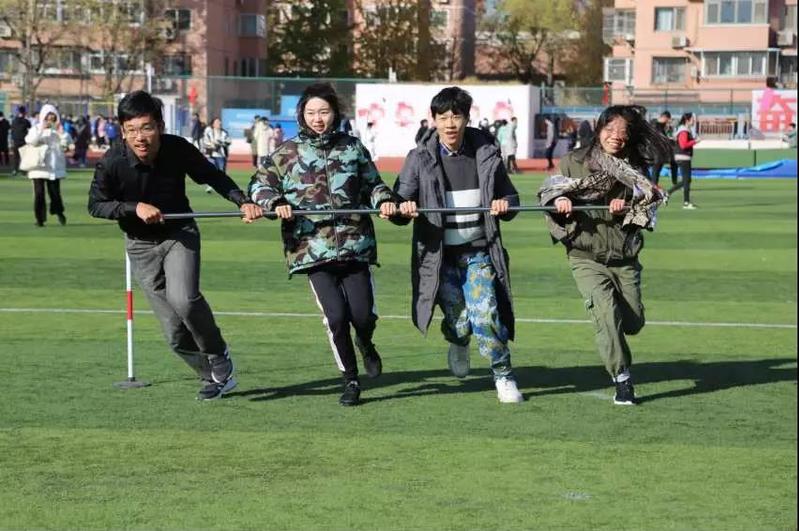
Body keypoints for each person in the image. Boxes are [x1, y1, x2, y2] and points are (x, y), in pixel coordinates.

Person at [88, 90, 263, 400]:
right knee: (174, 332)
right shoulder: (112, 161)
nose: (140, 137)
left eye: (146, 128)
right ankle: (213, 378)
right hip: (140, 246)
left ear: (160, 126)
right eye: (131, 130)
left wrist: (242, 200)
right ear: (122, 131)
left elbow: (211, 176)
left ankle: (218, 353)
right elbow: (96, 205)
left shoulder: (177, 148)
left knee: (184, 300)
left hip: (179, 234)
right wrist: (134, 208)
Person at [249, 83, 396, 407]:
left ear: (335, 113)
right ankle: (350, 379)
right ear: (301, 115)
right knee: (336, 318)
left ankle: (366, 342)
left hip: (355, 245)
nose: (318, 119)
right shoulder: (286, 153)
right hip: (312, 250)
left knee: (362, 317)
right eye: (311, 112)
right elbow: (258, 186)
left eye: (324, 112)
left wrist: (385, 201)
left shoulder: (353, 148)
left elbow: (374, 185)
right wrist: (275, 202)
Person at [392, 86, 524, 404]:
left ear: (467, 118)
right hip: (440, 257)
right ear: (433, 119)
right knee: (460, 322)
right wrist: (401, 208)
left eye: (456, 116)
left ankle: (503, 374)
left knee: (486, 315)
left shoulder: (486, 153)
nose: (450, 124)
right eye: (443, 117)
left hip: (479, 251)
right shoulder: (419, 158)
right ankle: (458, 341)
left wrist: (505, 204)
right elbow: (398, 202)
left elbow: (511, 197)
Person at [537, 105, 670, 406]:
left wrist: (630, 207)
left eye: (623, 132)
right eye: (610, 130)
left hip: (625, 257)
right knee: (606, 315)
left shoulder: (634, 169)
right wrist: (560, 200)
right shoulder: (574, 161)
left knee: (632, 322)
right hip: (586, 256)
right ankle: (622, 379)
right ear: (599, 130)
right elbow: (551, 189)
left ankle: (621, 338)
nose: (616, 137)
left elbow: (649, 208)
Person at [25, 104, 68, 227]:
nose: (50, 120)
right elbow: (31, 141)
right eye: (48, 117)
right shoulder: (35, 128)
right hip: (38, 166)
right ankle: (40, 219)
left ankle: (59, 212)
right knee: (39, 194)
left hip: (54, 166)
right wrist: (41, 130)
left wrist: (61, 133)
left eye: (52, 117)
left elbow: (66, 145)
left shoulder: (59, 130)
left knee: (54, 193)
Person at [674, 112, 700, 209]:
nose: (694, 121)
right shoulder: (683, 131)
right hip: (683, 157)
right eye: (692, 119)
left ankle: (667, 193)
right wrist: (695, 141)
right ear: (687, 120)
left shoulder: (685, 130)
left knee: (687, 180)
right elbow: (683, 145)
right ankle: (686, 202)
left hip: (683, 157)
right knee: (686, 180)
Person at [650, 111, 679, 188]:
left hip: (661, 152)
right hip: (656, 152)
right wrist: (670, 139)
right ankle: (654, 185)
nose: (668, 121)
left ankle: (673, 182)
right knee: (656, 168)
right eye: (668, 119)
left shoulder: (661, 126)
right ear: (665, 117)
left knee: (672, 164)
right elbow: (660, 138)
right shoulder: (655, 125)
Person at [10, 105, 31, 176]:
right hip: (23, 141)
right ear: (24, 113)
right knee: (24, 156)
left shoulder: (14, 121)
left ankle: (15, 170)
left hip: (15, 140)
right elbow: (30, 129)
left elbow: (12, 130)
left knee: (16, 156)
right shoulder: (26, 121)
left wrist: (12, 139)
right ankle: (23, 170)